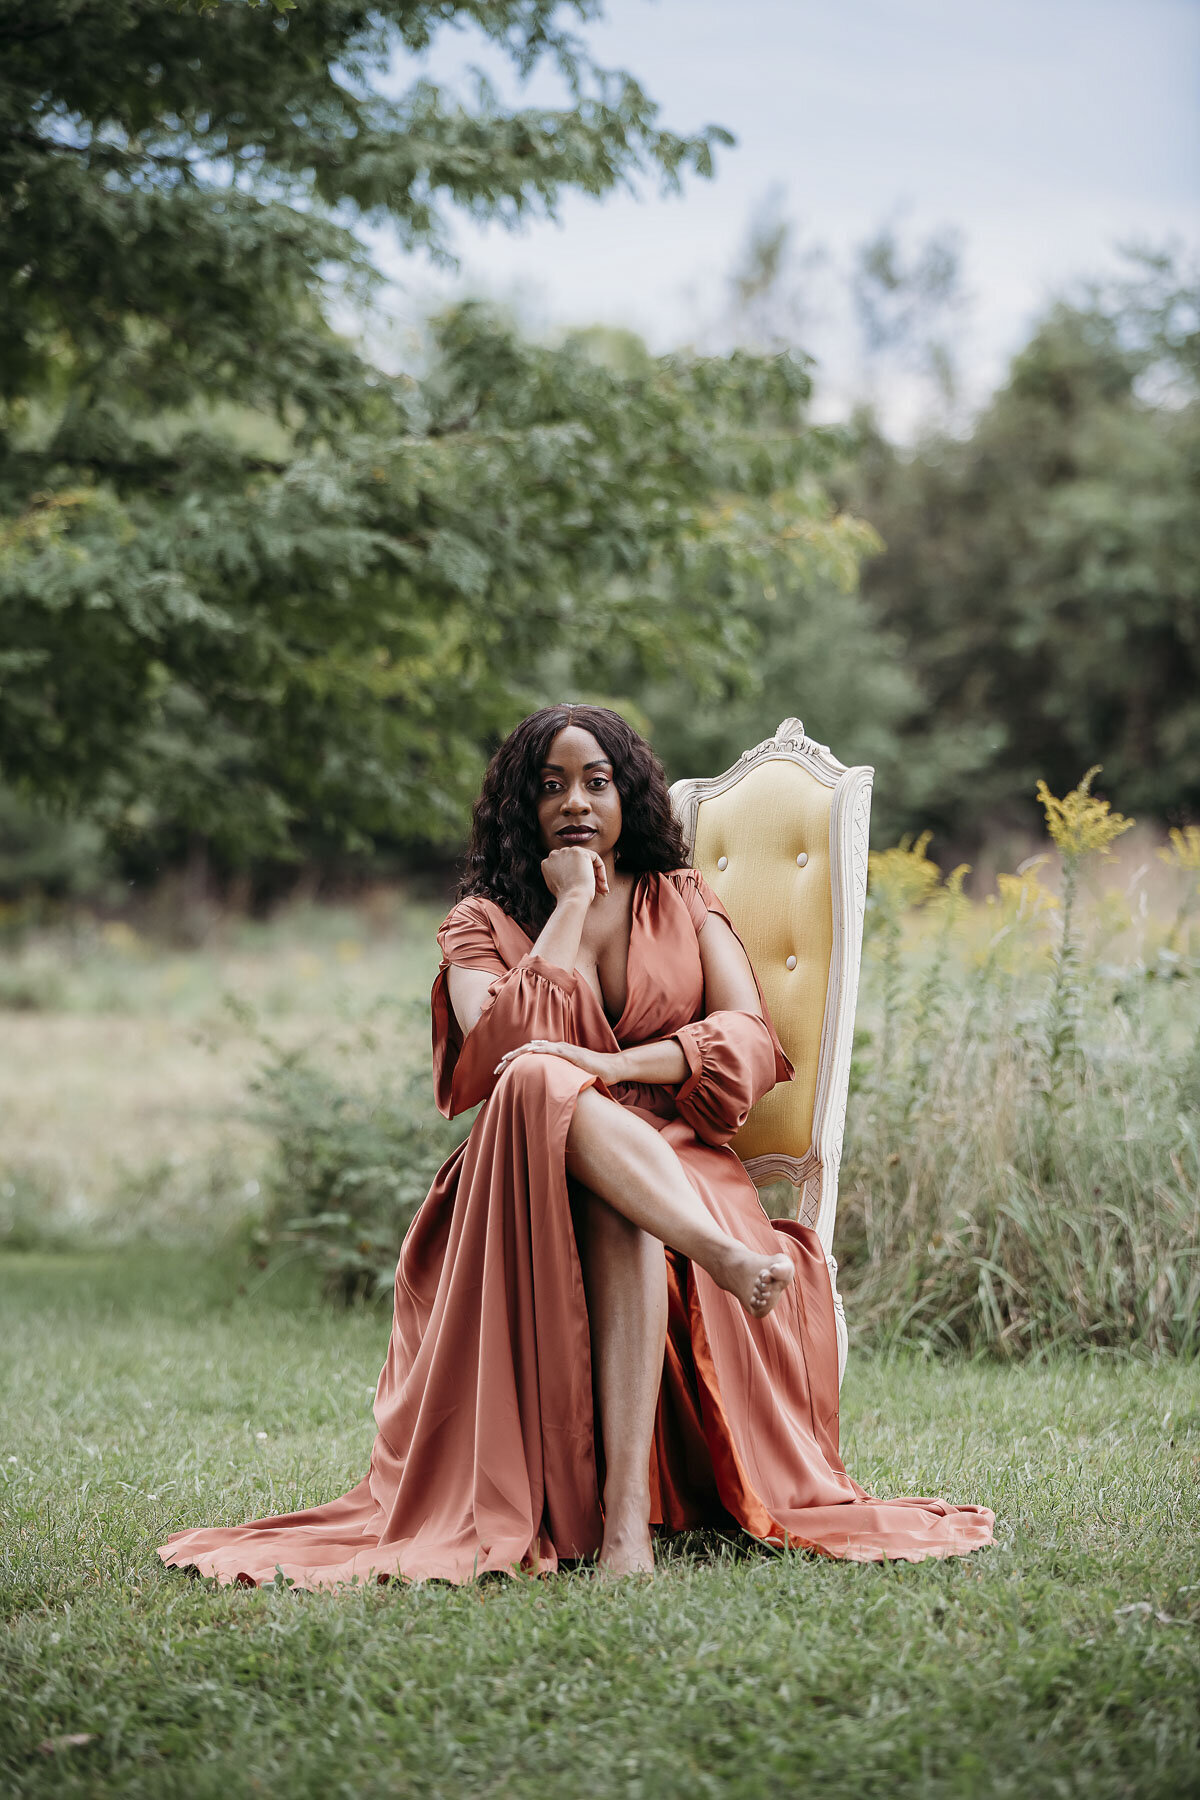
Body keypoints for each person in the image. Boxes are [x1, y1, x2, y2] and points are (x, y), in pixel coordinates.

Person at [158, 704, 994, 1588]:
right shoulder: (481, 921)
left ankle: (628, 1529)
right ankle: (715, 1257)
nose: (575, 802)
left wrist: (610, 1059)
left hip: (669, 1156)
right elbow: (491, 1057)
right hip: (522, 1171)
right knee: (533, 1079)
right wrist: (567, 909)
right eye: (551, 786)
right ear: (523, 807)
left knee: (590, 1136)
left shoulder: (680, 897)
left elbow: (747, 1038)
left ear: (628, 792)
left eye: (596, 781)